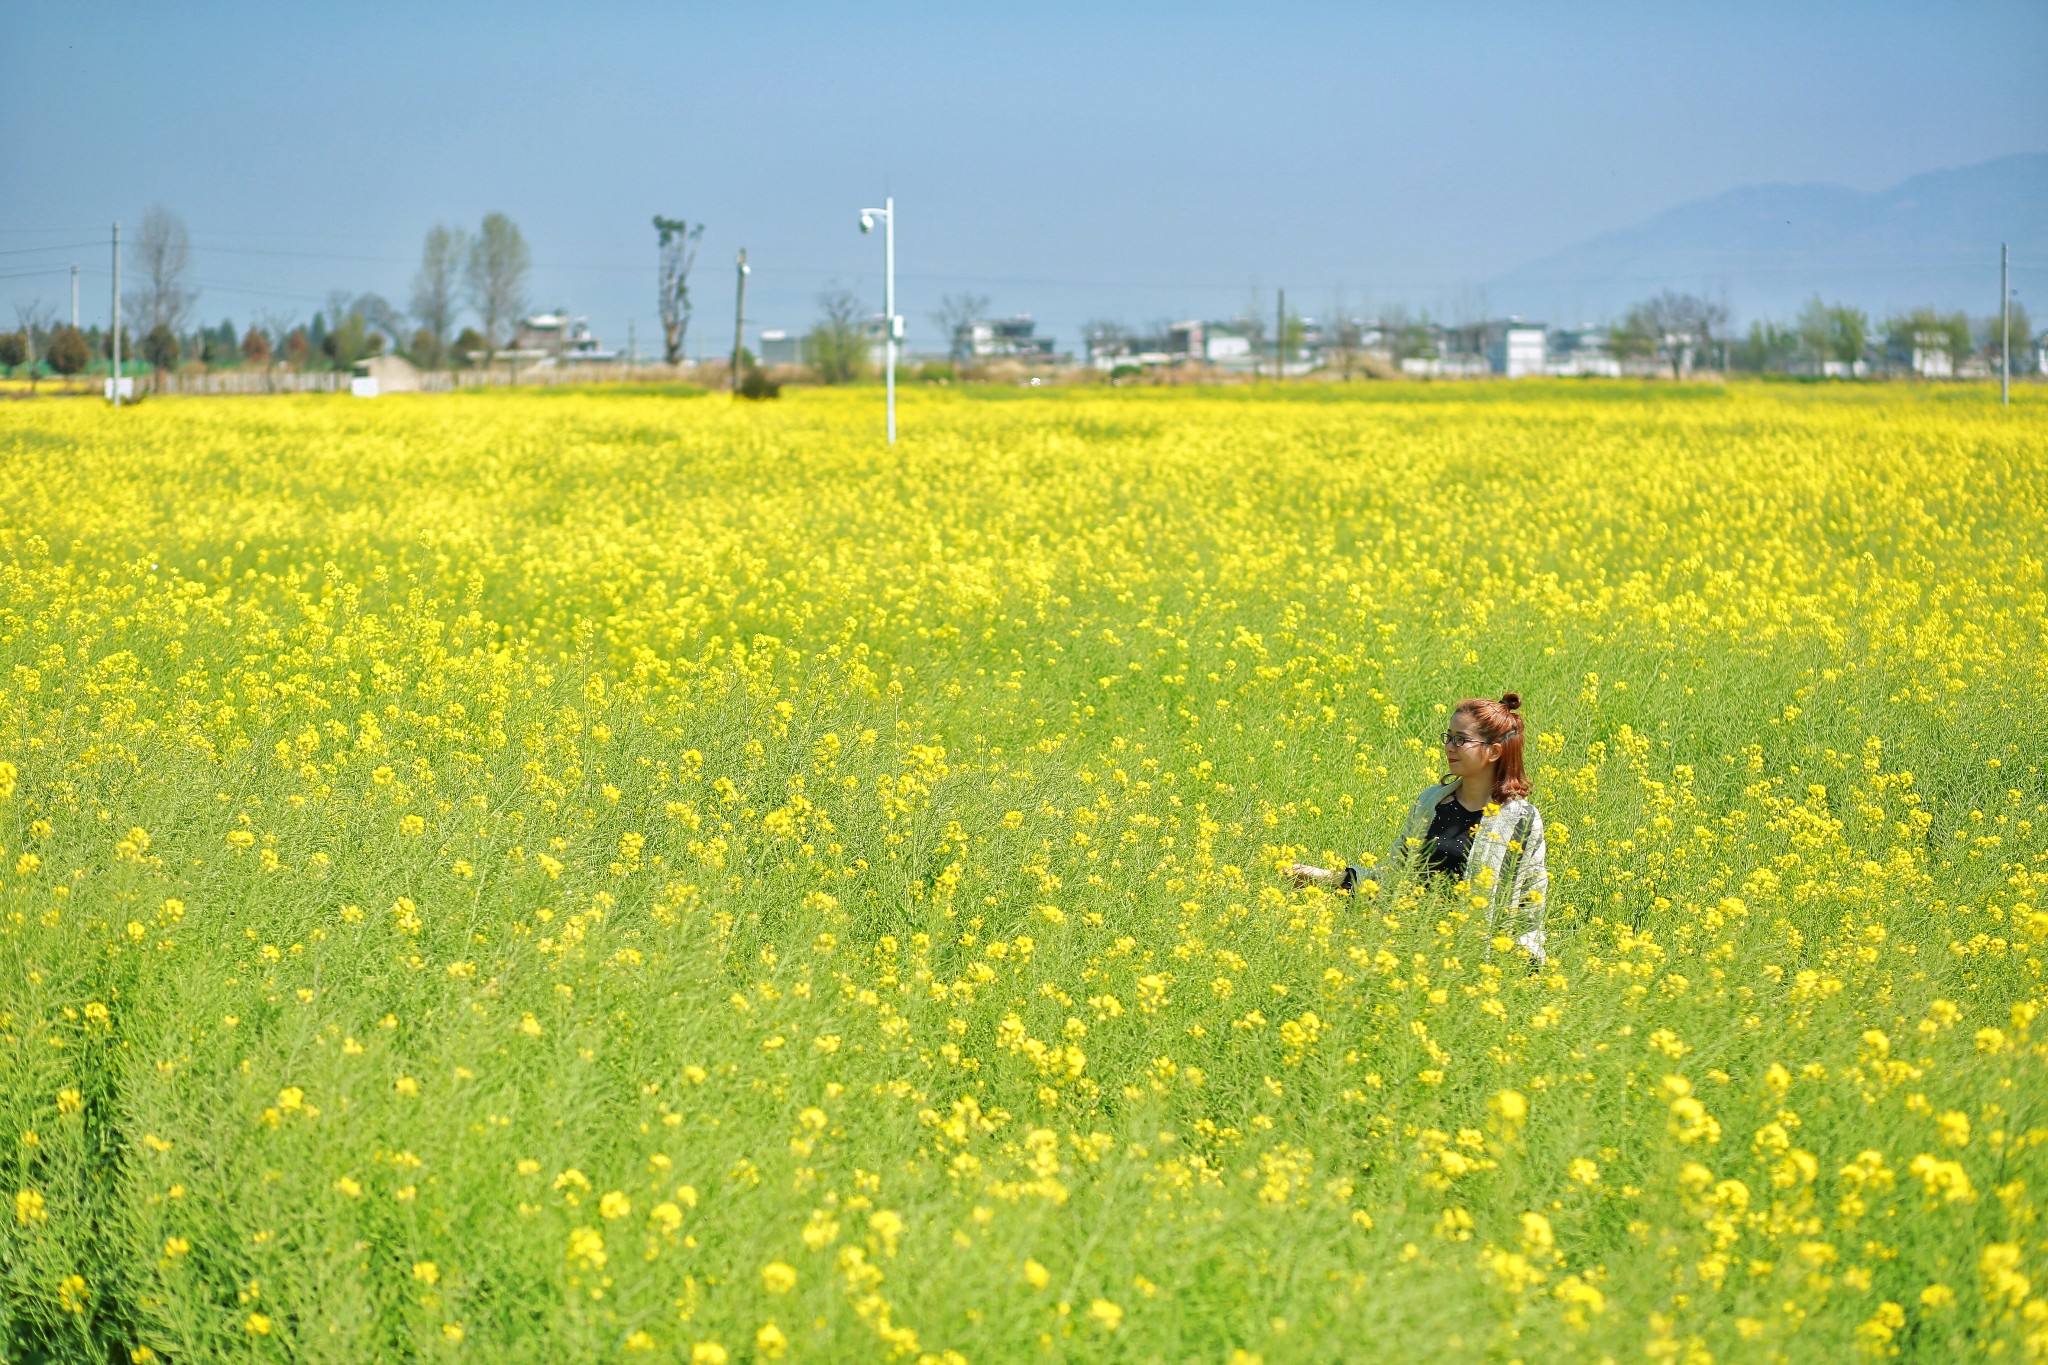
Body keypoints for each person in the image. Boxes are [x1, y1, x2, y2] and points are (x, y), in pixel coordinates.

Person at [1288, 693, 1550, 962]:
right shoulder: (1431, 803)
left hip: (1475, 962)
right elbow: (1394, 878)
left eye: (1461, 739)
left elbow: (1530, 902)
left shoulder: (1521, 820)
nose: (1449, 747)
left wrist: (1522, 968)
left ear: (1494, 751)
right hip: (1412, 953)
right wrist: (1325, 877)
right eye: (1448, 737)